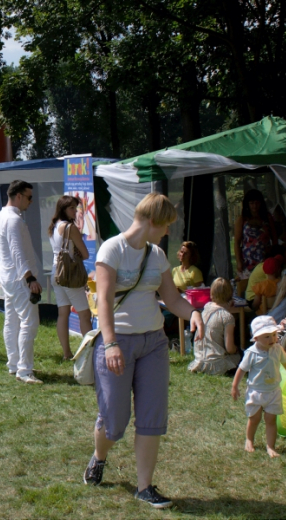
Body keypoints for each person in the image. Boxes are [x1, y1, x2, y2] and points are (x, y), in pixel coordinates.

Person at [82, 192, 204, 509]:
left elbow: (172, 299)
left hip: (153, 343)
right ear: (152, 222)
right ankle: (99, 455)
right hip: (117, 341)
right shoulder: (112, 249)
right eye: (165, 227)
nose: (167, 233)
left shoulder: (157, 255)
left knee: (152, 417)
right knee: (115, 421)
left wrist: (194, 314)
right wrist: (109, 344)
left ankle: (144, 487)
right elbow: (104, 302)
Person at [232, 315, 286, 457]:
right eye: (267, 336)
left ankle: (271, 447)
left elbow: (285, 361)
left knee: (271, 420)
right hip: (256, 392)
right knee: (254, 419)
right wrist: (235, 386)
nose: (272, 339)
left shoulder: (277, 349)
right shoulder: (252, 353)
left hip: (273, 391)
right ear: (256, 338)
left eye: (274, 335)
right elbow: (242, 369)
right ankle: (249, 440)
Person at [0, 180, 43, 384]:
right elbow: (16, 251)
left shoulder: (3, 215)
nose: (31, 201)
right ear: (19, 196)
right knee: (29, 322)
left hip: (8, 276)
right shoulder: (13, 219)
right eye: (29, 197)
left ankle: (14, 364)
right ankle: (24, 370)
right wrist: (30, 278)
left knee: (12, 320)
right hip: (17, 278)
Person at [48, 195, 91, 360]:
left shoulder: (54, 225)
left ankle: (67, 353)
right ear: (63, 209)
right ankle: (88, 353)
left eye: (76, 208)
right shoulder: (70, 228)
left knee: (63, 313)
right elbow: (85, 253)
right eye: (72, 208)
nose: (75, 211)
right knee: (84, 315)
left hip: (56, 272)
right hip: (69, 275)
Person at [188, 278, 240, 376]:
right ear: (230, 295)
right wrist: (236, 349)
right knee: (241, 355)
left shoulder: (205, 309)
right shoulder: (227, 317)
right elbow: (230, 348)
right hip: (216, 363)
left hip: (199, 360)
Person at [234, 189, 277, 281]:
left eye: (257, 203)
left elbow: (274, 238)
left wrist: (275, 255)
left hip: (265, 257)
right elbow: (237, 242)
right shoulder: (242, 219)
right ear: (247, 204)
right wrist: (238, 261)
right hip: (248, 260)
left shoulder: (267, 217)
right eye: (252, 203)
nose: (255, 206)